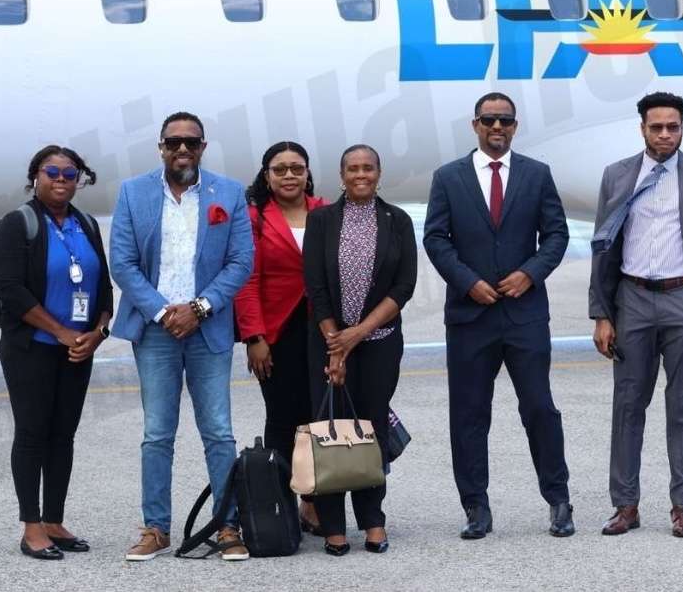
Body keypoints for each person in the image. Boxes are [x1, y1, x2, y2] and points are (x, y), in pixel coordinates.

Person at [423, 91, 574, 539]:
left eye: (505, 120)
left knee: (540, 408)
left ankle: (559, 500)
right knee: (469, 414)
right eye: (488, 120)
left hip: (525, 315)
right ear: (475, 125)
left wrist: (530, 274)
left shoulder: (536, 174)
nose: (497, 127)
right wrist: (467, 281)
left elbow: (556, 235)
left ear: (515, 126)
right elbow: (436, 238)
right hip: (470, 317)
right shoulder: (448, 177)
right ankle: (476, 507)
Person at [588, 91, 683, 538]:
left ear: (682, 128)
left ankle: (682, 506)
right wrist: (601, 314)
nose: (665, 135)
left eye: (673, 127)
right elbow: (602, 247)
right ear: (642, 129)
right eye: (656, 127)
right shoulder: (617, 175)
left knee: (682, 405)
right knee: (628, 405)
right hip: (631, 300)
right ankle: (625, 506)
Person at [110, 111, 254, 562]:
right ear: (161, 147)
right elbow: (122, 263)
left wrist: (200, 308)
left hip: (207, 328)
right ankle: (156, 528)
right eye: (174, 142)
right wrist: (161, 311)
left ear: (203, 147)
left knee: (219, 432)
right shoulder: (133, 192)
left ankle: (227, 526)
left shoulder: (228, 193)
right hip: (155, 332)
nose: (183, 149)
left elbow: (241, 261)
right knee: (157, 433)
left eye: (192, 142)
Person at [0, 146, 113, 560]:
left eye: (70, 173)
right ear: (36, 176)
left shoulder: (86, 224)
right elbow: (11, 291)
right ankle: (31, 526)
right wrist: (61, 332)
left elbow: (103, 287)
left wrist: (98, 333)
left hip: (78, 350)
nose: (61, 179)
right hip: (33, 349)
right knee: (32, 433)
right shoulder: (18, 223)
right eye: (52, 172)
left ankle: (54, 520)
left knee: (63, 435)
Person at [302, 144, 417, 556]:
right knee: (330, 429)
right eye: (353, 168)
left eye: (368, 168)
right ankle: (333, 525)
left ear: (379, 174)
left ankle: (373, 520)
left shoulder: (398, 220)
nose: (361, 174)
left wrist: (359, 333)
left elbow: (403, 287)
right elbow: (315, 286)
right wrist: (337, 345)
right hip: (328, 343)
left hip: (379, 344)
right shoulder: (321, 220)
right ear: (342, 175)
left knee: (372, 429)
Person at [234, 140, 326, 534]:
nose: (289, 175)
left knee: (318, 417)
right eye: (280, 169)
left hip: (322, 330)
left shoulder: (326, 211)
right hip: (275, 333)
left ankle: (313, 503)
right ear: (267, 175)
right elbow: (247, 280)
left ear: (307, 173)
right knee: (283, 418)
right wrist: (254, 336)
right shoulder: (254, 217)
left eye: (297, 168)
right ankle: (278, 506)